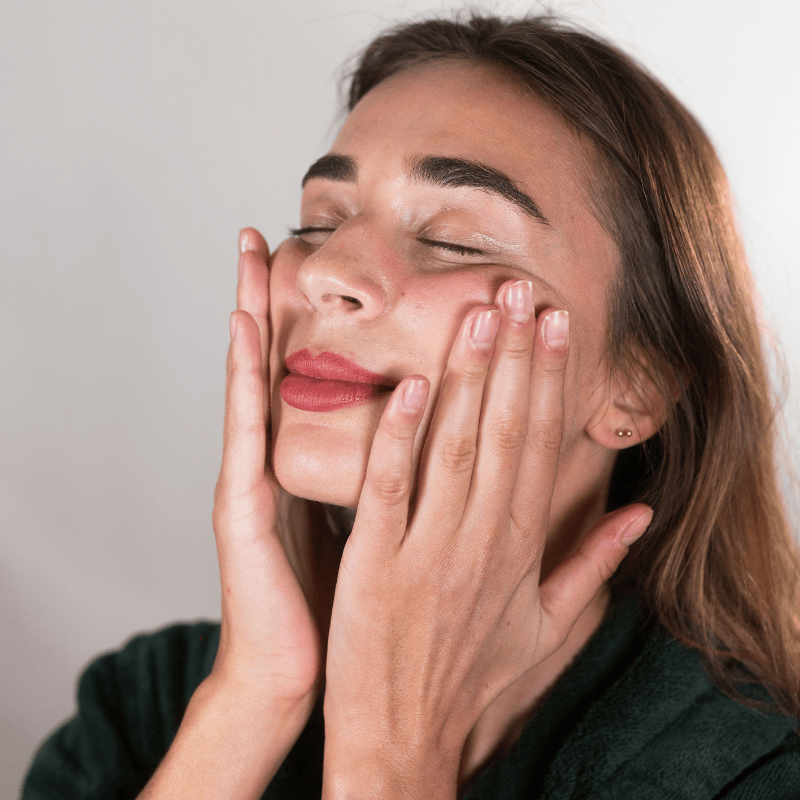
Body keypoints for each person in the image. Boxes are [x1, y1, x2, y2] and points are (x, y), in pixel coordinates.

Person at [23, 12, 800, 800]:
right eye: (319, 221)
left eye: (458, 240)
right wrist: (255, 698)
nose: (327, 268)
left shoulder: (761, 767)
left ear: (637, 384)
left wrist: (391, 753)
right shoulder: (146, 710)